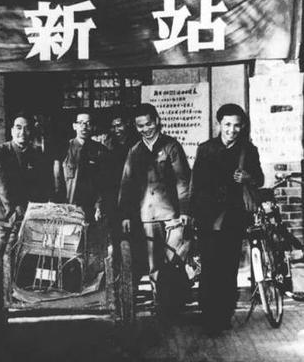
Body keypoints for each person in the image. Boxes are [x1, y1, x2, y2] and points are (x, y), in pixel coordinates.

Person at [191, 103, 264, 335]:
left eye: (237, 125)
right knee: (209, 266)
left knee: (228, 267)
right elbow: (196, 184)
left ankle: (223, 315)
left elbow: (260, 179)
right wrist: (194, 215)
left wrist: (248, 177)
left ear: (242, 127)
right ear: (219, 124)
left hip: (233, 217)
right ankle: (208, 315)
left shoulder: (248, 150)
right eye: (227, 124)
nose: (232, 130)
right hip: (208, 217)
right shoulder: (206, 149)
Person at [118, 103, 191, 312]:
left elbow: (183, 181)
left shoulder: (171, 146)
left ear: (157, 121)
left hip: (171, 215)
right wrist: (125, 215)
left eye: (149, 124)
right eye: (140, 126)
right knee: (154, 264)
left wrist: (185, 211)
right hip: (147, 216)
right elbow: (126, 184)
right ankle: (161, 304)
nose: (146, 129)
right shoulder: (134, 151)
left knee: (174, 259)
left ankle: (176, 303)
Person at [0, 112, 51, 326]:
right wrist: (14, 211)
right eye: (18, 127)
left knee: (27, 257)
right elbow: (1, 185)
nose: (22, 132)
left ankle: (23, 299)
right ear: (12, 130)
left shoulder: (37, 153)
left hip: (29, 215)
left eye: (26, 128)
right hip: (4, 216)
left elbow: (42, 184)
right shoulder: (0, 152)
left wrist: (39, 209)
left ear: (31, 132)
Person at [54, 110, 109, 223]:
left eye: (88, 123)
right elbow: (57, 181)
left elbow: (103, 183)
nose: (84, 127)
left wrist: (99, 206)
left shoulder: (100, 151)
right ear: (74, 126)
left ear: (92, 127)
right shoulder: (64, 149)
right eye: (80, 123)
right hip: (69, 209)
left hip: (92, 210)